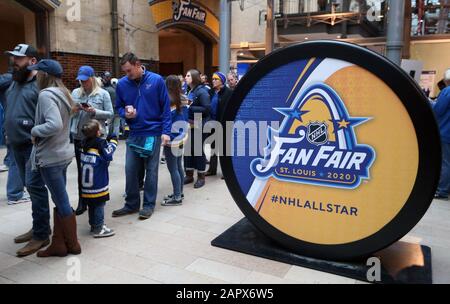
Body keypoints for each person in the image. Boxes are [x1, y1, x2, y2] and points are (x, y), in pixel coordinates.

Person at [27, 59, 81, 258]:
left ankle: (73, 245)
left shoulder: (45, 95)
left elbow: (54, 124)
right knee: (60, 199)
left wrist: (34, 129)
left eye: (37, 72)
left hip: (51, 157)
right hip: (62, 153)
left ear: (45, 75)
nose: (35, 76)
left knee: (62, 201)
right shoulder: (63, 93)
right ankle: (59, 244)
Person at [4, 44, 51, 257]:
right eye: (13, 58)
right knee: (31, 190)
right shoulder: (14, 82)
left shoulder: (40, 86)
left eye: (19, 59)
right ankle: (39, 227)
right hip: (16, 146)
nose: (14, 62)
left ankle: (41, 235)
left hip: (33, 147)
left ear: (32, 61)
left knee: (36, 189)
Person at [112, 52, 171, 220]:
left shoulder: (157, 80)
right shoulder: (122, 84)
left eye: (129, 70)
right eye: (125, 72)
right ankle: (131, 204)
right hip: (134, 133)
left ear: (138, 64)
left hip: (153, 132)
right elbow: (119, 107)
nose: (127, 75)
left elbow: (165, 108)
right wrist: (126, 114)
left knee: (151, 170)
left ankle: (148, 205)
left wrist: (166, 132)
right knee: (130, 169)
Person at [71, 66, 114, 216]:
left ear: (92, 79)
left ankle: (97, 203)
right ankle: (82, 202)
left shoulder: (103, 94)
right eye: (80, 80)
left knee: (97, 171)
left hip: (97, 138)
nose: (83, 83)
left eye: (85, 80)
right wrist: (74, 110)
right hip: (79, 136)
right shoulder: (75, 93)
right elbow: (69, 112)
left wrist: (94, 112)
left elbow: (110, 114)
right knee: (82, 171)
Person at [80, 120, 117, 238]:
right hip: (98, 183)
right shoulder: (100, 144)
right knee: (100, 205)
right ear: (97, 132)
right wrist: (113, 141)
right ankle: (99, 228)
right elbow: (108, 154)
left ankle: (94, 225)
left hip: (86, 185)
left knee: (91, 205)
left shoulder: (83, 143)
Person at [162, 75, 189, 206]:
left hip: (172, 138)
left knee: (173, 168)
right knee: (178, 166)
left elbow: (166, 120)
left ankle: (177, 197)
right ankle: (179, 192)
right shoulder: (182, 97)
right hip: (181, 135)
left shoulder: (168, 99)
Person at [184, 69, 211, 188]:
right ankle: (189, 175)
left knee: (198, 150)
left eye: (188, 75)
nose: (186, 77)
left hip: (200, 124)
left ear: (194, 77)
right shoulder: (191, 90)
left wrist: (189, 108)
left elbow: (206, 109)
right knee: (189, 150)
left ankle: (201, 177)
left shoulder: (202, 92)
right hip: (191, 124)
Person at [206, 72, 233, 177]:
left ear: (221, 81)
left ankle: (226, 172)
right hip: (212, 123)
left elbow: (231, 108)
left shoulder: (229, 92)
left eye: (215, 79)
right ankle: (212, 169)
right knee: (213, 148)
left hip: (224, 124)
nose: (213, 81)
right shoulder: (210, 92)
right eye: (212, 79)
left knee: (224, 150)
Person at [433, 69, 450, 200]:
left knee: (445, 163)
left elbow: (437, 111)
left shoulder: (447, 92)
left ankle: (442, 190)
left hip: (445, 133)